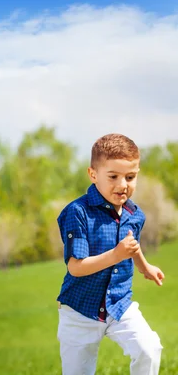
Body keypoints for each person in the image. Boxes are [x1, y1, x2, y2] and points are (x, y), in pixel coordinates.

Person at [56, 133, 165, 375]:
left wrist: (145, 267)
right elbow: (76, 267)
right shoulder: (78, 212)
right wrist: (116, 254)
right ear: (93, 175)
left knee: (149, 348)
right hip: (80, 311)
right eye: (113, 176)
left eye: (130, 176)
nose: (123, 184)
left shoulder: (134, 214)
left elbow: (131, 245)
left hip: (119, 304)